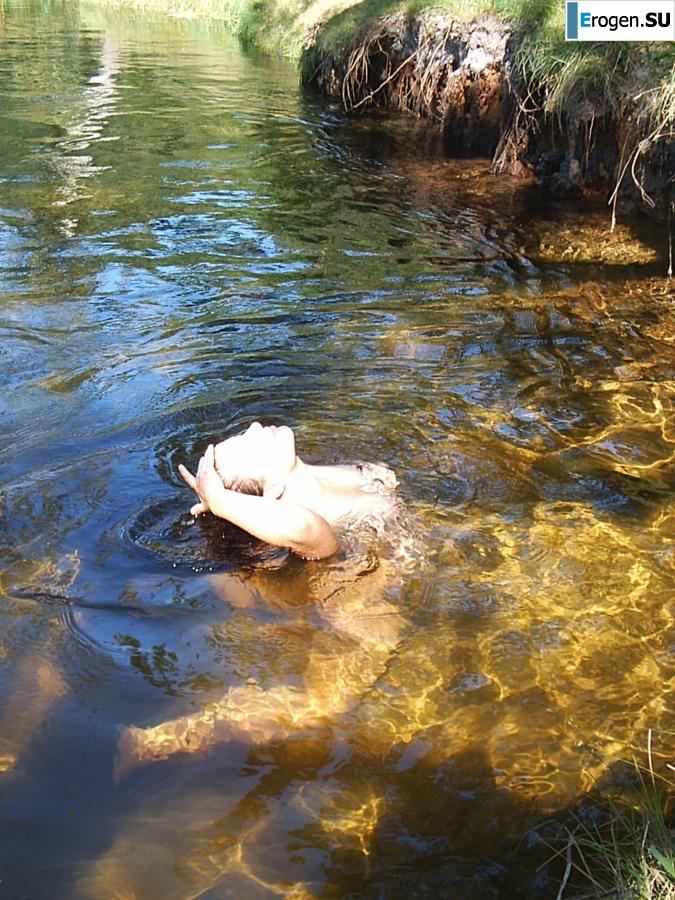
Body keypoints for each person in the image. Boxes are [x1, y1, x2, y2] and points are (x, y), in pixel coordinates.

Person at [115, 423, 412, 779]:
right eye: (246, 442)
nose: (254, 426)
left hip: (308, 575)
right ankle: (159, 740)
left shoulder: (311, 478)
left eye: (244, 433)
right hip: (356, 601)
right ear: (271, 491)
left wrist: (221, 500)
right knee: (323, 704)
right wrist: (222, 502)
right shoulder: (315, 527)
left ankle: (253, 598)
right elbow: (305, 528)